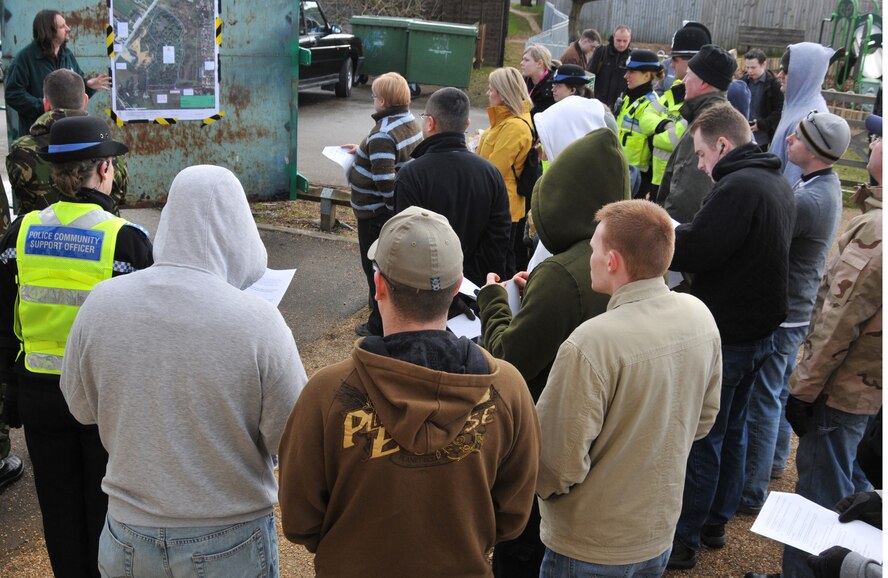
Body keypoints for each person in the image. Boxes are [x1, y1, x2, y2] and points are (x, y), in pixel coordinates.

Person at [60, 164, 307, 578]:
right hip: (229, 536)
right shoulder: (258, 322)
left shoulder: (102, 304)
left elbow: (80, 407)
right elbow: (294, 437)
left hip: (127, 535)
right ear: (240, 229)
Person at [278, 206, 540, 577]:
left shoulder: (327, 393)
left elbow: (300, 519)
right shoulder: (508, 388)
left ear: (380, 285)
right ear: (456, 287)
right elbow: (512, 516)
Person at [0, 116, 152, 578]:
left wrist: (11, 400)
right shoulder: (127, 241)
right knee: (106, 514)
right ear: (104, 170)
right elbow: (147, 333)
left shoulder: (18, 234)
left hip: (40, 397)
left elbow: (4, 324)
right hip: (105, 401)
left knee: (60, 512)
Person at [536, 200, 722, 578]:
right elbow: (703, 420)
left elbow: (554, 464)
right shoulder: (699, 315)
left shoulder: (591, 342)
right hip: (658, 532)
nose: (589, 256)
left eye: (593, 249)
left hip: (590, 541)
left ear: (612, 261)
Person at [478, 128, 628, 578]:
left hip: (548, 442)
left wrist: (494, 300)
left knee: (521, 548)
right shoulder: (619, 257)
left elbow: (510, 358)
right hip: (607, 450)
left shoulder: (563, 273)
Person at [666, 104, 795, 570]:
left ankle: (686, 537)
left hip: (731, 332)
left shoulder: (738, 187)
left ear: (722, 144)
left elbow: (699, 249)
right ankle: (717, 521)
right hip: (760, 329)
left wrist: (666, 232)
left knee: (706, 435)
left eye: (702, 154)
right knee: (733, 427)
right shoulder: (773, 180)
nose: (700, 165)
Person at [780, 116, 882, 578]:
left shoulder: (874, 231)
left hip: (842, 389)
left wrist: (803, 390)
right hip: (868, 388)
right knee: (857, 492)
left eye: (881, 140)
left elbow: (839, 322)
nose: (874, 141)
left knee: (822, 504)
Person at [740, 112, 851, 516]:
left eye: (799, 136)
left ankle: (750, 491)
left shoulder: (808, 199)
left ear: (817, 149)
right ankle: (770, 463)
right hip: (798, 305)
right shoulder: (823, 185)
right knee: (778, 391)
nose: (788, 139)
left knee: (763, 400)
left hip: (786, 309)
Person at [394, 87, 511, 287]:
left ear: (430, 123)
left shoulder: (411, 175)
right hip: (477, 288)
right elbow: (499, 238)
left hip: (427, 290)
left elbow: (406, 242)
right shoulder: (491, 174)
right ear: (467, 124)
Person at [344, 72, 422, 337]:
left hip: (375, 214)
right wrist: (362, 151)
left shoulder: (383, 133)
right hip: (387, 212)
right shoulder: (408, 120)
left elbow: (385, 181)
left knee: (374, 269)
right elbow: (391, 157)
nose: (373, 99)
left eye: (376, 96)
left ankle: (377, 324)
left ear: (384, 101)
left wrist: (391, 215)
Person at [7, 69, 128, 216]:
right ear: (85, 100)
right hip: (104, 234)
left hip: (39, 234)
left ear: (46, 104)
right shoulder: (109, 150)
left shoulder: (20, 151)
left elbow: (21, 197)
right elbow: (119, 197)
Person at [655, 44, 737, 223]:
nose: (684, 80)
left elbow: (688, 194)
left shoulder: (709, 124)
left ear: (704, 82)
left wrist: (668, 230)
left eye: (690, 74)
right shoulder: (713, 115)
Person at [6, 10, 111, 139]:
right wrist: (44, 107)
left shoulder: (67, 55)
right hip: (38, 136)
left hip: (67, 133)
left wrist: (88, 85)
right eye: (62, 26)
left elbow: (75, 90)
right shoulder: (25, 58)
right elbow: (13, 94)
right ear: (48, 31)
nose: (68, 29)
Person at [477, 67, 534, 275]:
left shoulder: (514, 127)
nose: (488, 93)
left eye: (491, 89)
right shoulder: (506, 122)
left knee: (497, 266)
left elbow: (493, 169)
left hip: (503, 206)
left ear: (502, 93)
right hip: (500, 202)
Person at [644, 22, 712, 191]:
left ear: (693, 62)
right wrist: (665, 125)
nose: (671, 64)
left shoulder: (701, 103)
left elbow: (676, 140)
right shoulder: (676, 90)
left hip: (682, 185)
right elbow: (645, 117)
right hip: (663, 178)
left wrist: (652, 138)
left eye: (675, 59)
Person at [769, 42, 834, 185]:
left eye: (786, 71)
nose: (779, 75)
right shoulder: (796, 104)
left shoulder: (810, 116)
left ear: (802, 74)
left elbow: (796, 181)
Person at [615, 49, 663, 198]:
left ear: (647, 75)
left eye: (631, 72)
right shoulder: (628, 98)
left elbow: (654, 148)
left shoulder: (655, 105)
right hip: (621, 171)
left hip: (639, 181)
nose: (625, 76)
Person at [742, 48, 784, 149]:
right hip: (743, 134)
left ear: (763, 64)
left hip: (762, 136)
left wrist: (761, 125)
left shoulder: (774, 85)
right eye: (747, 67)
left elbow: (779, 111)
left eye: (753, 67)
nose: (749, 71)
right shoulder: (743, 82)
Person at [587, 25, 632, 110]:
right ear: (613, 38)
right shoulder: (601, 52)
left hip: (619, 106)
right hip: (598, 104)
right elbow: (589, 76)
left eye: (625, 41)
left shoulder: (631, 58)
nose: (621, 44)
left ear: (629, 40)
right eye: (618, 40)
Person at [521, 44, 557, 119]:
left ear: (540, 63)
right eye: (522, 59)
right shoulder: (521, 82)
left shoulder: (554, 87)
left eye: (526, 60)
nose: (522, 63)